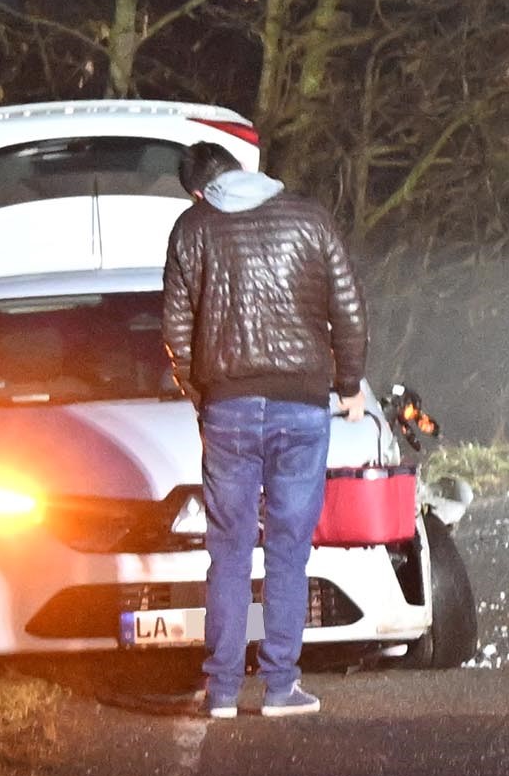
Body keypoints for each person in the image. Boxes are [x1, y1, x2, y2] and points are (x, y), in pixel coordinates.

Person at [158, 136, 372, 720]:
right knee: (287, 551)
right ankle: (280, 686)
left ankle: (223, 691)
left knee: (227, 552)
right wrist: (349, 384)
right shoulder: (310, 217)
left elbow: (175, 331)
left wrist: (204, 398)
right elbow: (348, 309)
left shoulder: (192, 228)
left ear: (201, 189)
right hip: (302, 406)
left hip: (228, 407)